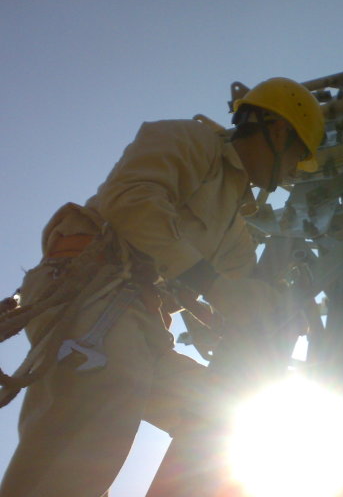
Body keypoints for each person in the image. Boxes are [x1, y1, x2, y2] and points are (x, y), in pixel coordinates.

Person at [0, 77, 325, 497]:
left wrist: (277, 309)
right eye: (298, 157)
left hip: (143, 323)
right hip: (94, 286)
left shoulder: (234, 228)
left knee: (219, 414)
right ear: (278, 131)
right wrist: (213, 286)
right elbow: (130, 201)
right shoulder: (191, 141)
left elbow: (243, 290)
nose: (292, 172)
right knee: (106, 388)